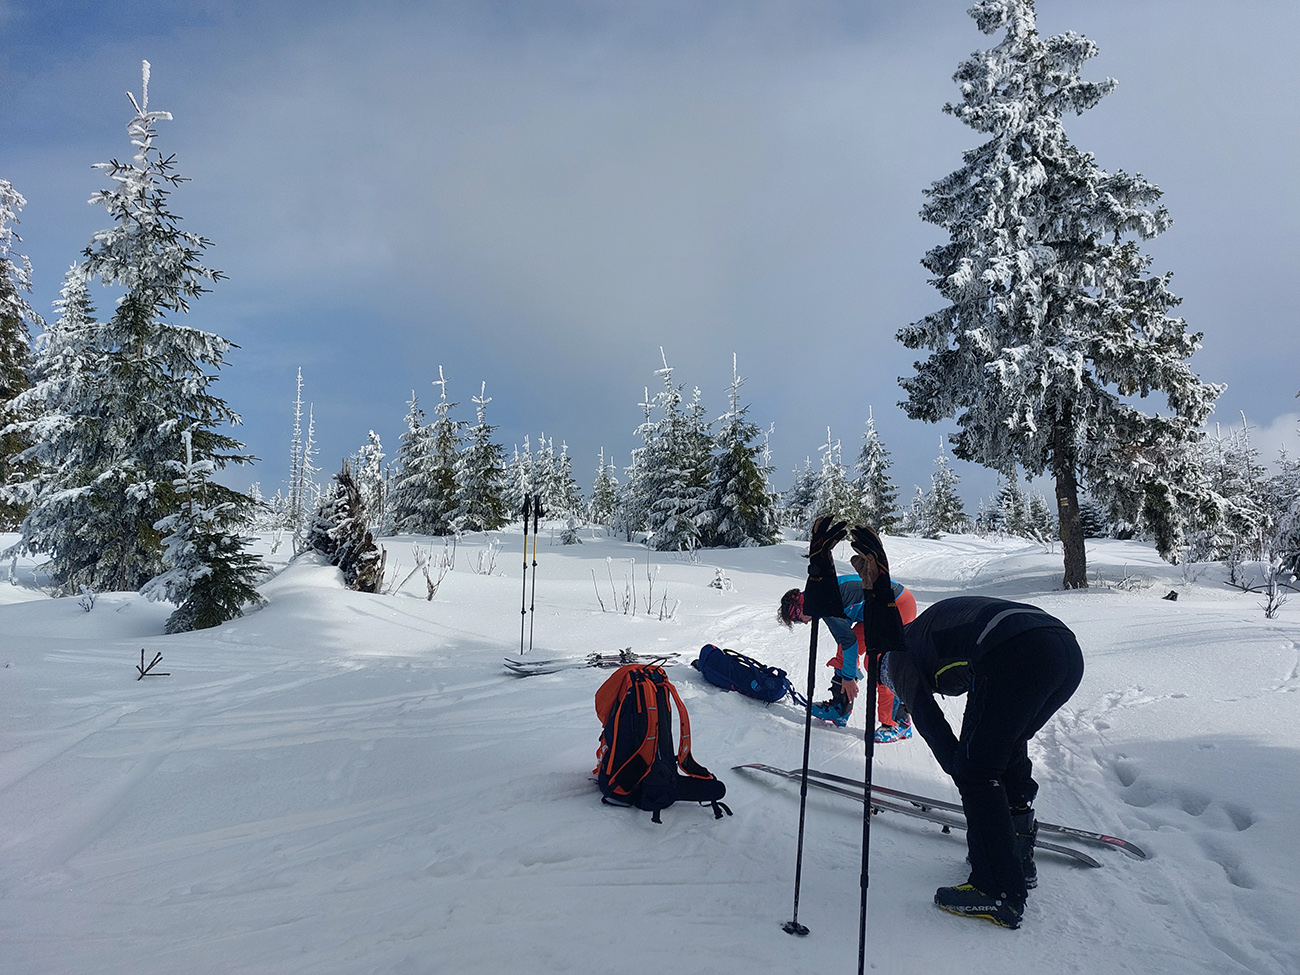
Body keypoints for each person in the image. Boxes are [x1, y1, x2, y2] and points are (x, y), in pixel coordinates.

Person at [851, 524, 1084, 930]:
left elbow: (932, 725)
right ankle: (1017, 857)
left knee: (977, 769)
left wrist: (963, 767)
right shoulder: (922, 633)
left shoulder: (897, 661)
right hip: (1062, 649)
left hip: (1014, 651)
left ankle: (997, 890)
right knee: (1006, 746)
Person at [778, 563, 918, 739]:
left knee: (878, 662)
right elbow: (847, 644)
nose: (804, 623)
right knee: (844, 654)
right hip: (875, 609)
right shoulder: (817, 597)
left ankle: (898, 722)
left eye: (798, 620)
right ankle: (840, 708)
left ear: (800, 608)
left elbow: (848, 642)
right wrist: (848, 675)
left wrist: (849, 677)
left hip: (897, 605)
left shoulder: (825, 603)